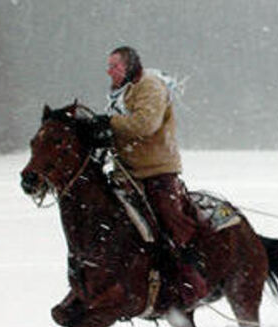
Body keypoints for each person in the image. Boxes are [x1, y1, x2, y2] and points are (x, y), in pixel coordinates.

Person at [85, 46, 206, 305]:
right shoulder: (119, 93)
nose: (110, 71)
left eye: (115, 66)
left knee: (170, 221)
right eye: (108, 66)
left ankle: (189, 277)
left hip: (157, 170)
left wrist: (109, 124)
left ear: (130, 66)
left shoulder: (149, 86)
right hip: (127, 173)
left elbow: (145, 124)